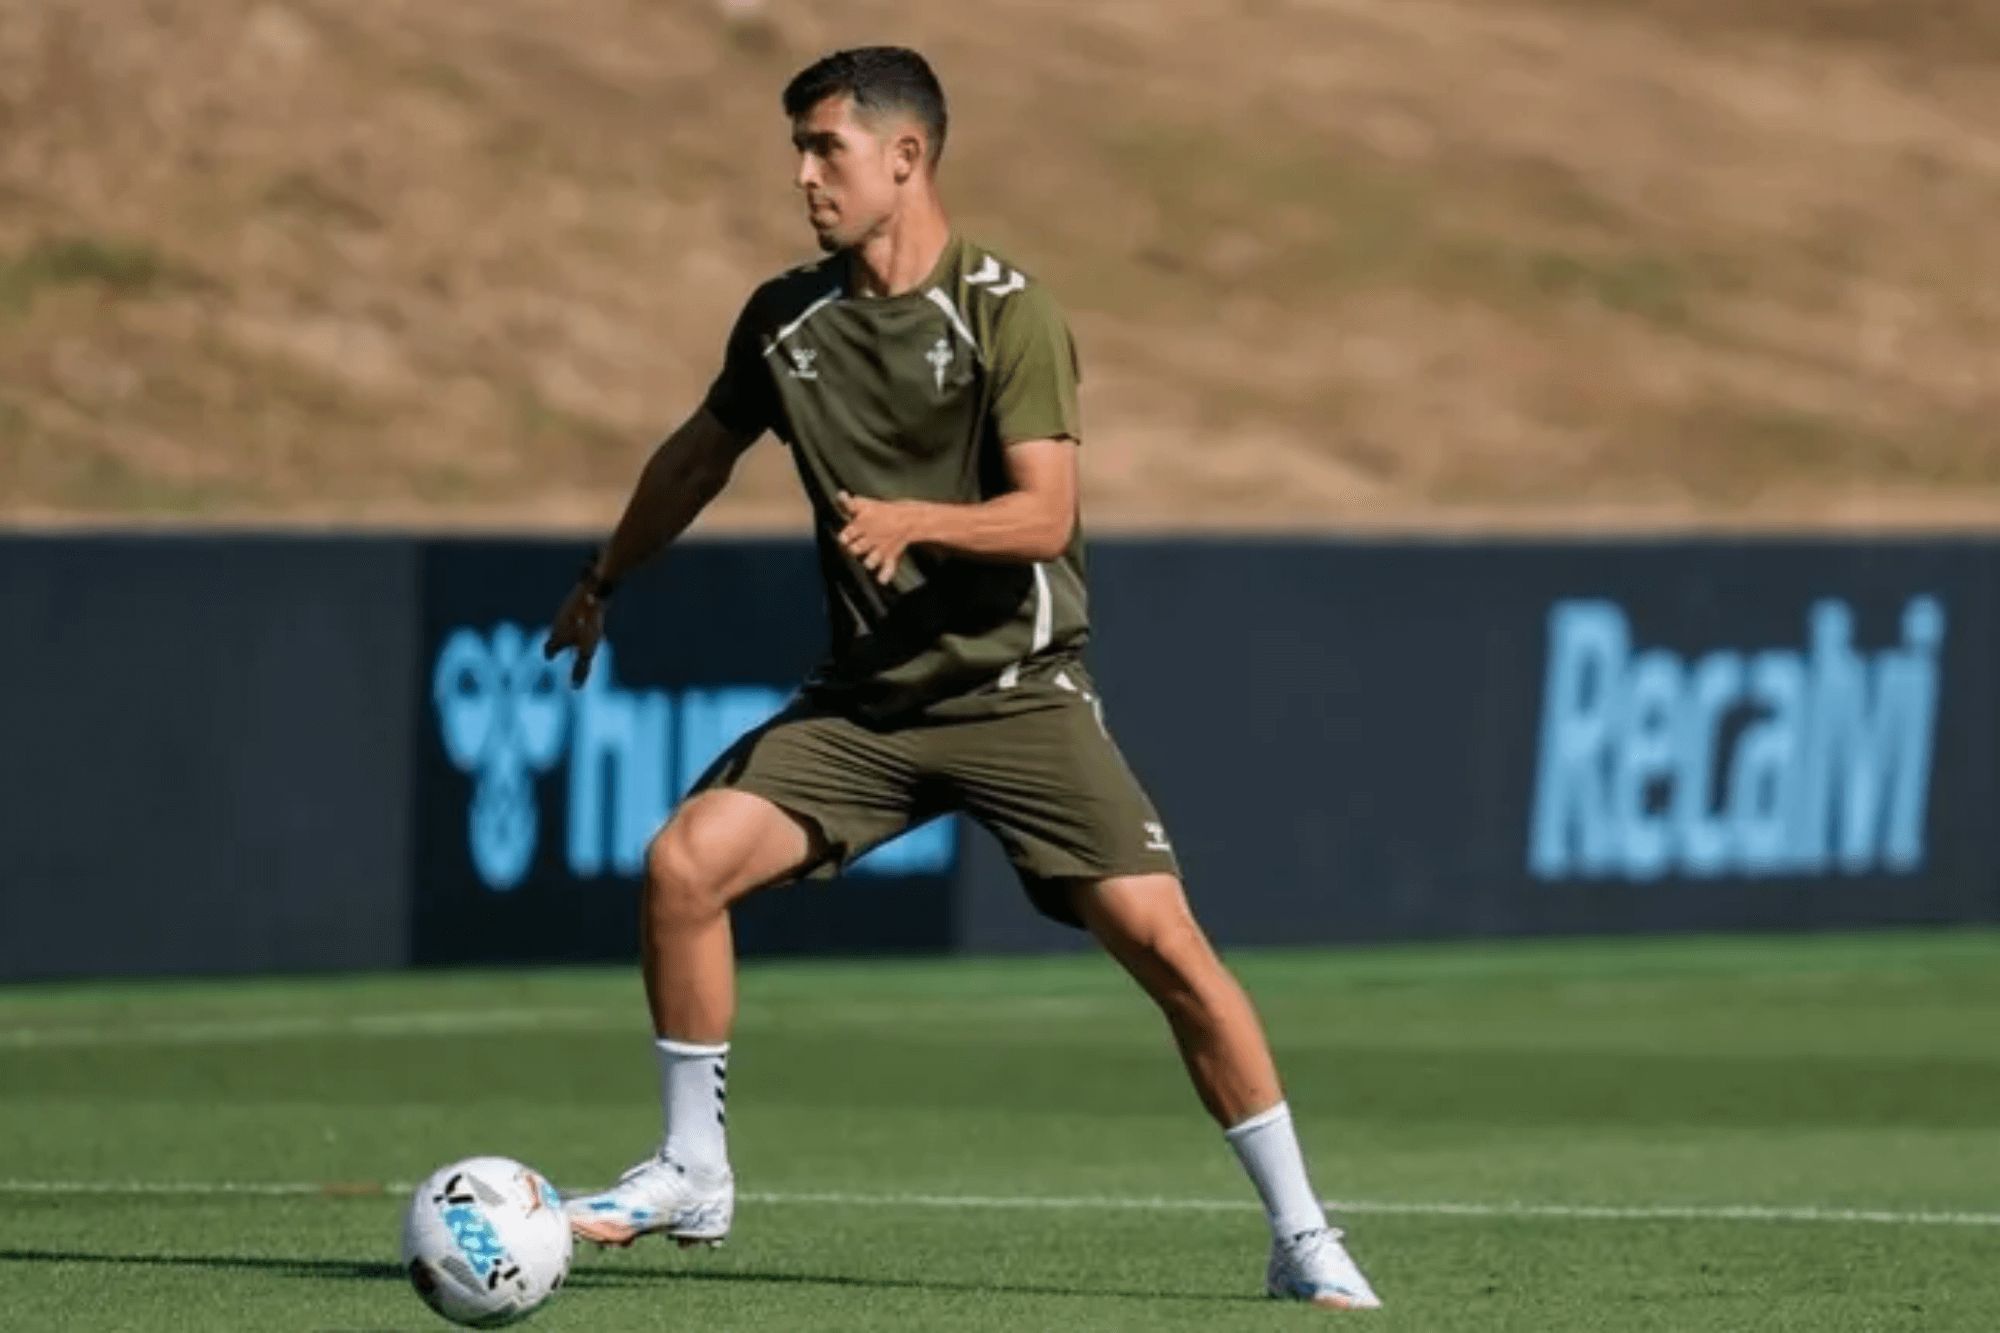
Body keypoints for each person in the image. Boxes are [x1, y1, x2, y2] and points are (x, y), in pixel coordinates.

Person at [543, 45, 1381, 1311]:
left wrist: (918, 522)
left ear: (906, 156)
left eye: (824, 147)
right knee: (682, 864)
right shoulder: (785, 319)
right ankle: (689, 1167)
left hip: (1015, 694)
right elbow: (694, 457)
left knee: (1167, 948)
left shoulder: (1007, 310)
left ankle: (1301, 1235)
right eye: (798, 149)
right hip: (866, 708)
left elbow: (1045, 516)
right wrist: (604, 574)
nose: (802, 175)